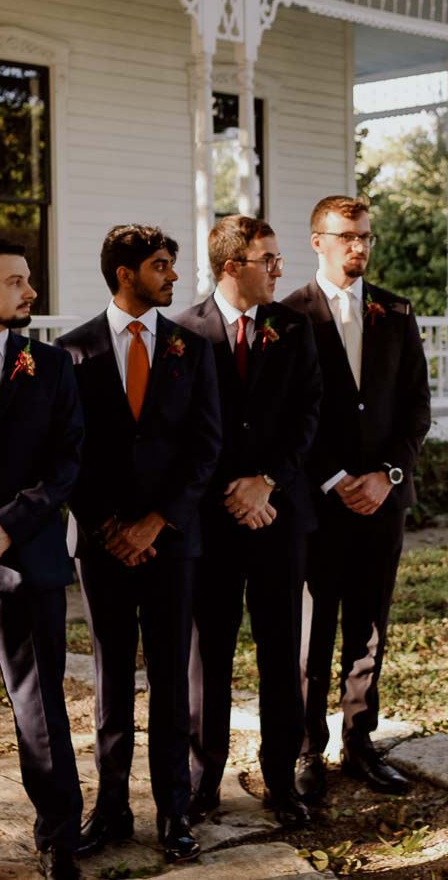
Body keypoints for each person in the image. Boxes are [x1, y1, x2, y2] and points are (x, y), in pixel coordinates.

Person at [58, 225, 221, 865]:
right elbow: (66, 451)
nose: (172, 277)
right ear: (125, 273)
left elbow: (206, 447)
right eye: (160, 266)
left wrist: (155, 523)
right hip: (101, 547)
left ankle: (174, 813)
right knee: (111, 679)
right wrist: (107, 527)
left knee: (172, 681)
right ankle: (112, 808)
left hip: (172, 543)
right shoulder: (71, 352)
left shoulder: (191, 348)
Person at [0, 235, 86, 880]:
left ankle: (60, 834)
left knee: (40, 704)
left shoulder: (51, 366)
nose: (32, 293)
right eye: (17, 281)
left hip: (26, 557)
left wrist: (7, 526)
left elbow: (67, 465)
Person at [282, 195, 430, 801]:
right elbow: (285, 415)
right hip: (319, 504)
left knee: (369, 627)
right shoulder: (288, 315)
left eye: (365, 235)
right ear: (317, 240)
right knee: (311, 632)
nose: (359, 247)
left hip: (382, 501)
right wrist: (333, 477)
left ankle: (360, 742)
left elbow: (416, 409)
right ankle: (304, 749)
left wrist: (386, 475)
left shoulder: (396, 311)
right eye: (346, 236)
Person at [176, 216, 321, 829]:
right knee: (207, 652)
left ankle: (281, 777)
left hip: (278, 518)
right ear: (233, 266)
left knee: (281, 647)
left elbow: (309, 414)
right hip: (211, 523)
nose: (279, 270)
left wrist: (269, 483)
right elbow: (178, 429)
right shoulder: (182, 331)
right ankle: (203, 777)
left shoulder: (294, 328)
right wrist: (228, 494)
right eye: (269, 260)